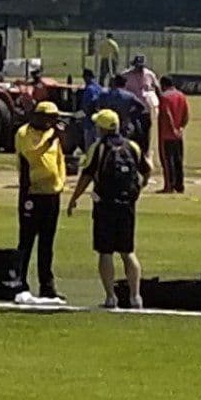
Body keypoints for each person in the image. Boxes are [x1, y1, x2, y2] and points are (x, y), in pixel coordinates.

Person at [67, 108, 148, 309]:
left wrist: (74, 198)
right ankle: (135, 297)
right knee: (128, 251)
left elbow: (86, 175)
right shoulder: (133, 147)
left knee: (105, 252)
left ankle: (111, 297)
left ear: (101, 128)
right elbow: (147, 169)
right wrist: (138, 188)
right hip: (127, 205)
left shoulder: (98, 147)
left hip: (105, 205)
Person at [13, 101, 68, 301]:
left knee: (47, 242)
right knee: (26, 240)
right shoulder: (24, 133)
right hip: (32, 193)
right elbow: (32, 154)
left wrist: (60, 182)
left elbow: (59, 159)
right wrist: (51, 138)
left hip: (51, 194)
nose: (53, 122)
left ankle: (47, 284)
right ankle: (20, 281)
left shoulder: (52, 134)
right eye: (50, 118)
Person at [122, 55, 160, 162]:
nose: (139, 68)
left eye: (141, 66)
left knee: (145, 133)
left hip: (145, 109)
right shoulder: (126, 75)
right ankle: (131, 155)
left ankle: (145, 155)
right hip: (132, 110)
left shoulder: (149, 74)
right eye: (137, 66)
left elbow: (157, 88)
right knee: (132, 133)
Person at [157, 77, 190, 193]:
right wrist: (181, 127)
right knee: (178, 160)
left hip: (167, 135)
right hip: (179, 135)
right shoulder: (181, 95)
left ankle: (169, 185)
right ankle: (179, 185)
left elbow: (167, 114)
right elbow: (186, 114)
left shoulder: (164, 97)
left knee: (167, 161)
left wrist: (173, 129)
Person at [76, 68, 104, 153]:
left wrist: (88, 113)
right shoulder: (99, 87)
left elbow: (92, 103)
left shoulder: (90, 89)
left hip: (90, 121)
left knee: (90, 146)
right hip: (100, 119)